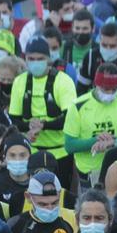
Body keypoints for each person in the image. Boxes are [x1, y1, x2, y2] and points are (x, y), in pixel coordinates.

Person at [10, 37, 78, 183]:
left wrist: (44, 125)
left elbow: (70, 118)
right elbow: (14, 120)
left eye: (40, 58)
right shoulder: (19, 81)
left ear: (48, 59)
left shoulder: (63, 81)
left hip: (60, 153)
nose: (35, 62)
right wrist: (29, 127)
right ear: (25, 59)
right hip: (31, 152)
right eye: (31, 58)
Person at [64, 63, 117, 191]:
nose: (110, 93)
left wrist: (114, 142)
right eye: (105, 89)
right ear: (96, 84)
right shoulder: (78, 106)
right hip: (90, 174)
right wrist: (96, 141)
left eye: (114, 89)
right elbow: (69, 145)